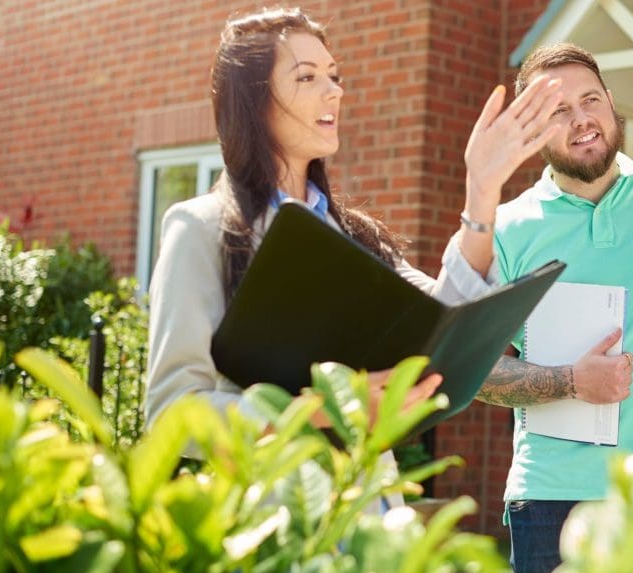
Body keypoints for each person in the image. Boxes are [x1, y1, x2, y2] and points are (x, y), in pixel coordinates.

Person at [145, 6, 563, 509]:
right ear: (253, 99)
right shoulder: (203, 228)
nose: (335, 90)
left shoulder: (352, 236)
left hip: (371, 517)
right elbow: (173, 414)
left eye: (334, 75)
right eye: (307, 76)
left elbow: (443, 318)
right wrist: (331, 407)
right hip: (275, 523)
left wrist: (482, 191)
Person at [469, 43, 633, 573]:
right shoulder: (505, 228)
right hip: (553, 499)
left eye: (591, 100)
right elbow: (474, 369)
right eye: (558, 111)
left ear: (610, 104)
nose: (582, 120)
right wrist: (571, 382)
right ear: (531, 130)